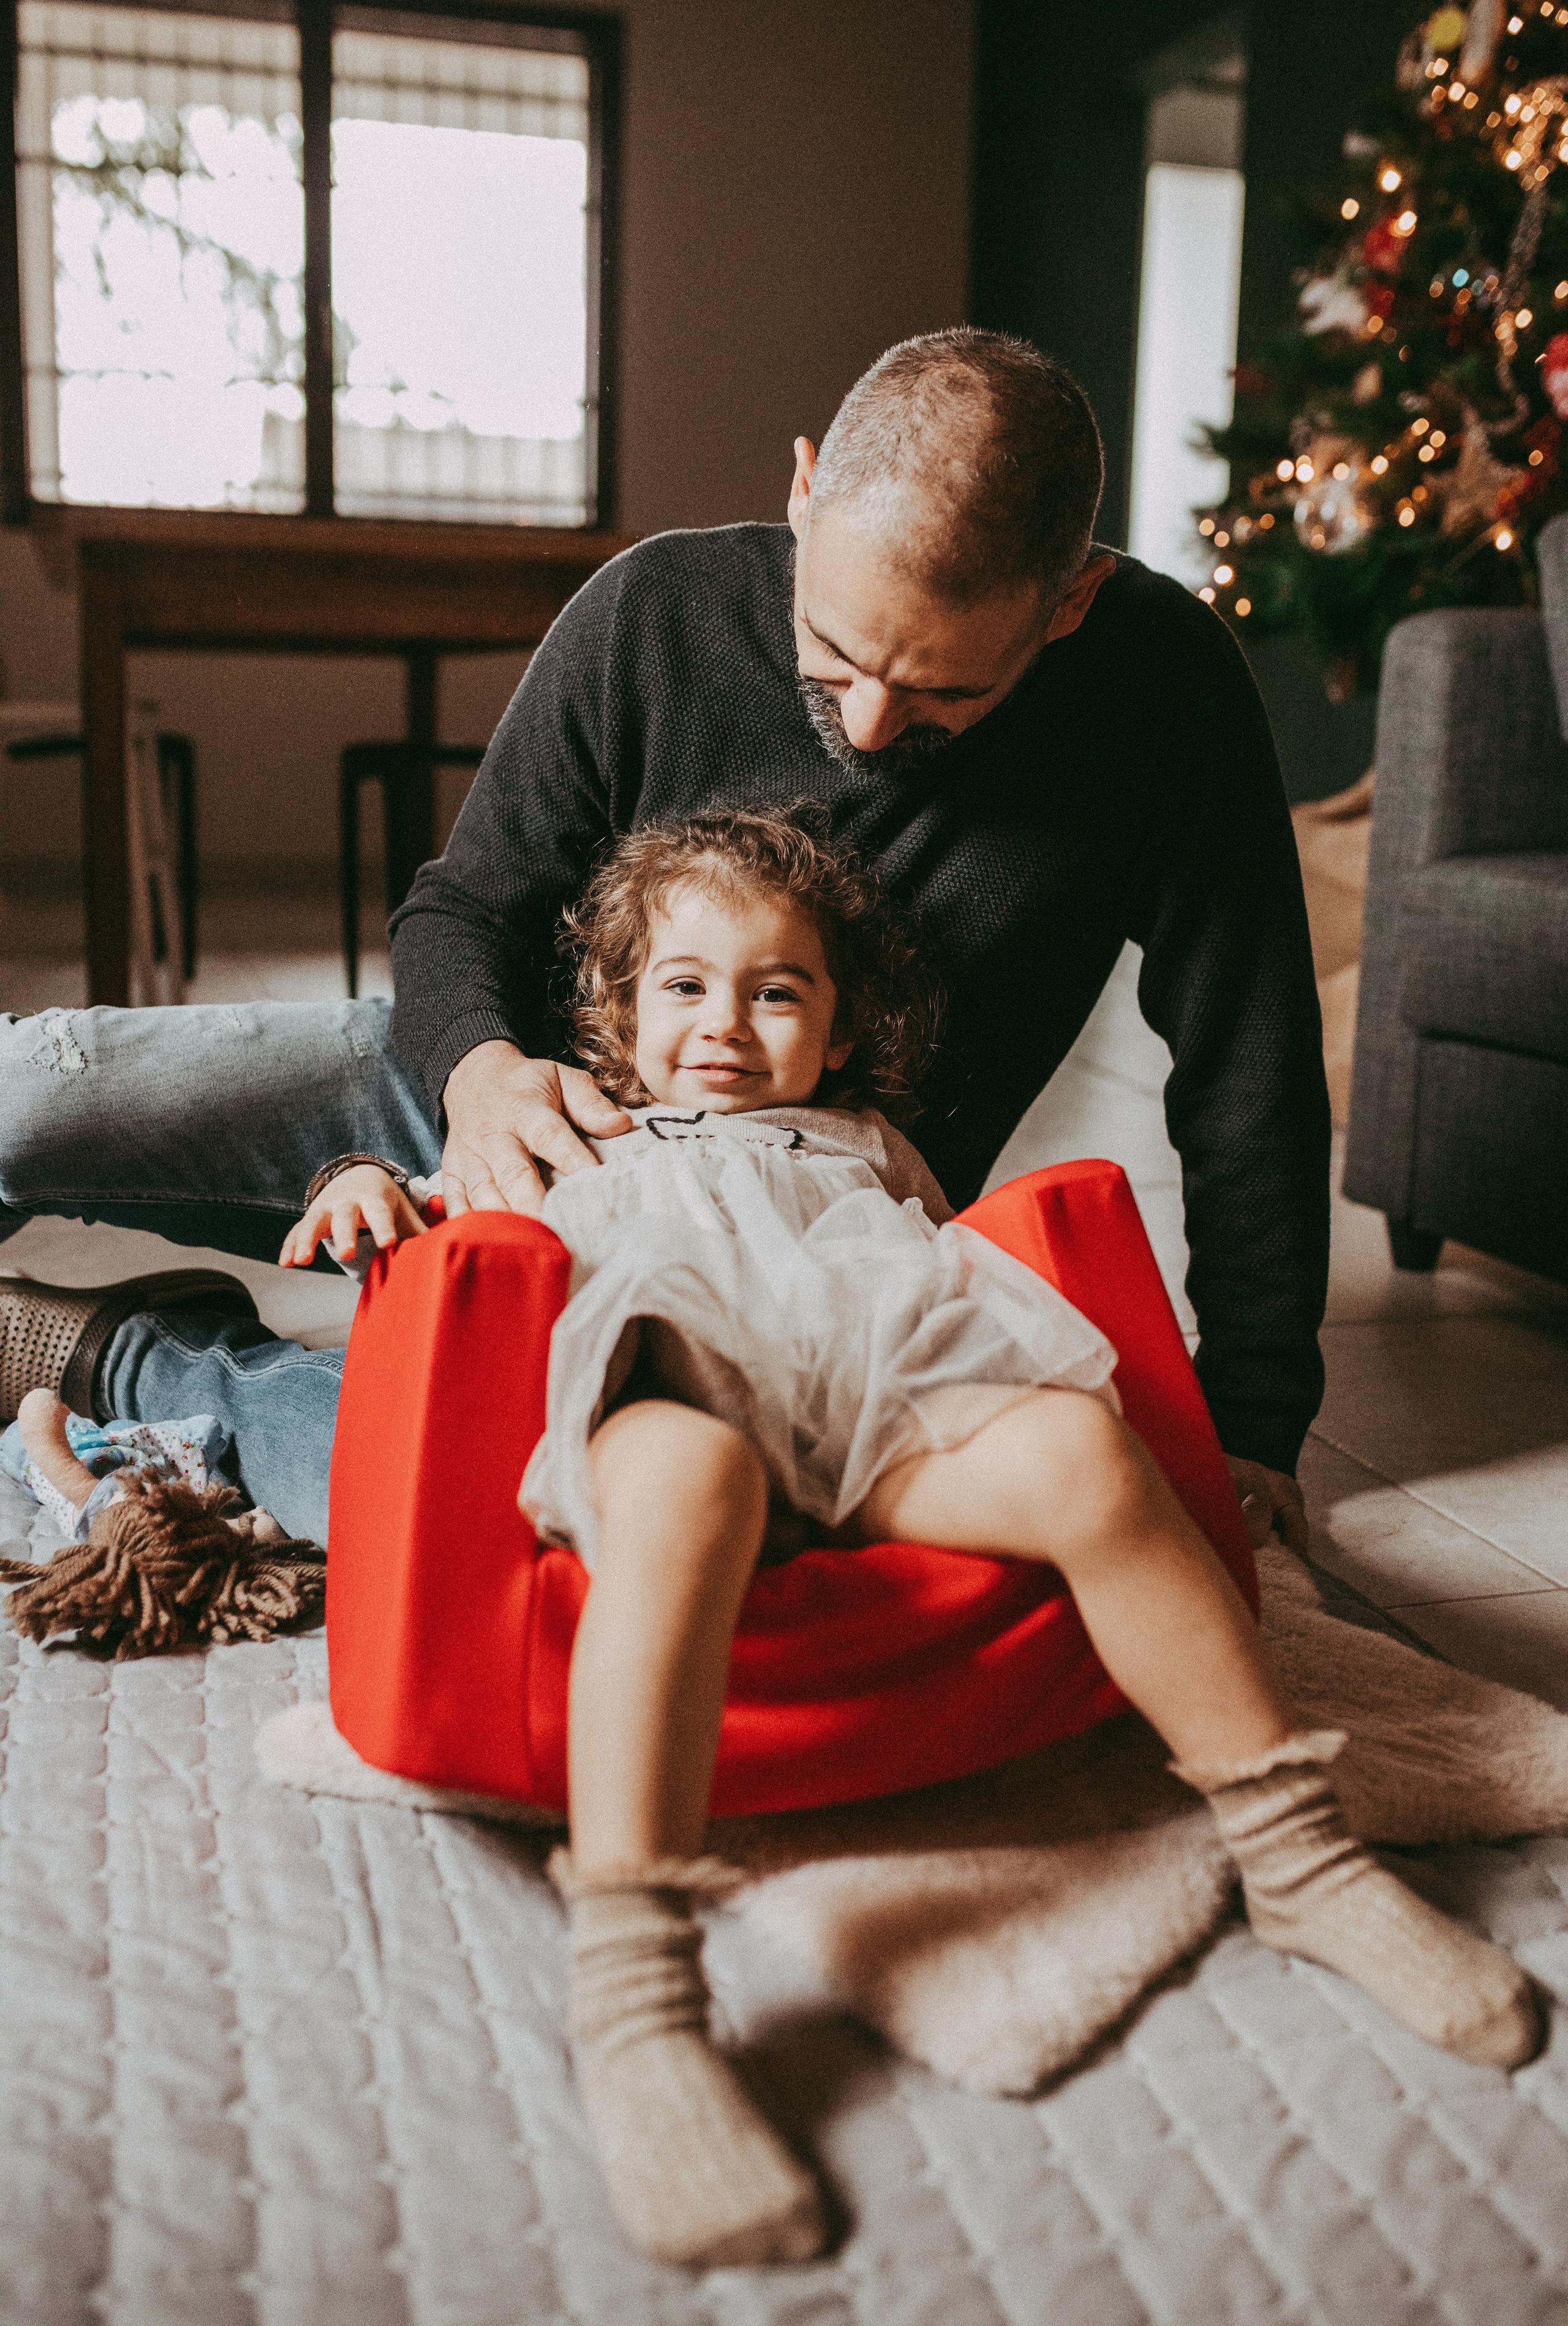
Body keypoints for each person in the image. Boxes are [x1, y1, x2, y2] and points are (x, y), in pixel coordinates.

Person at [1, 809, 1541, 2268]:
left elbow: (947, 1265)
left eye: (775, 990)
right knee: (688, 1488)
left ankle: (1292, 1847)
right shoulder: (580, 1126)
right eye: (683, 986)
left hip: (876, 1412)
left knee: (1080, 1447)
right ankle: (637, 1990)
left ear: (839, 1023)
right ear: (617, 1009)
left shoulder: (868, 1138)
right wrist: (354, 1189)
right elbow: (424, 1196)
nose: (724, 1024)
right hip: (660, 1390)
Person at [0, 327, 1328, 1550]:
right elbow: (464, 907)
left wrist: (1252, 1421)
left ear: (1069, 603)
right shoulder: (656, 608)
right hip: (497, 1084)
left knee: (480, 1503)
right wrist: (479, 1077)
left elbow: (1248, 1060)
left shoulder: (1165, 696)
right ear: (805, 491)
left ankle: (119, 1357)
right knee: (18, 1105)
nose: (868, 724)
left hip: (778, 1232)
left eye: (939, 691)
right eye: (833, 650)